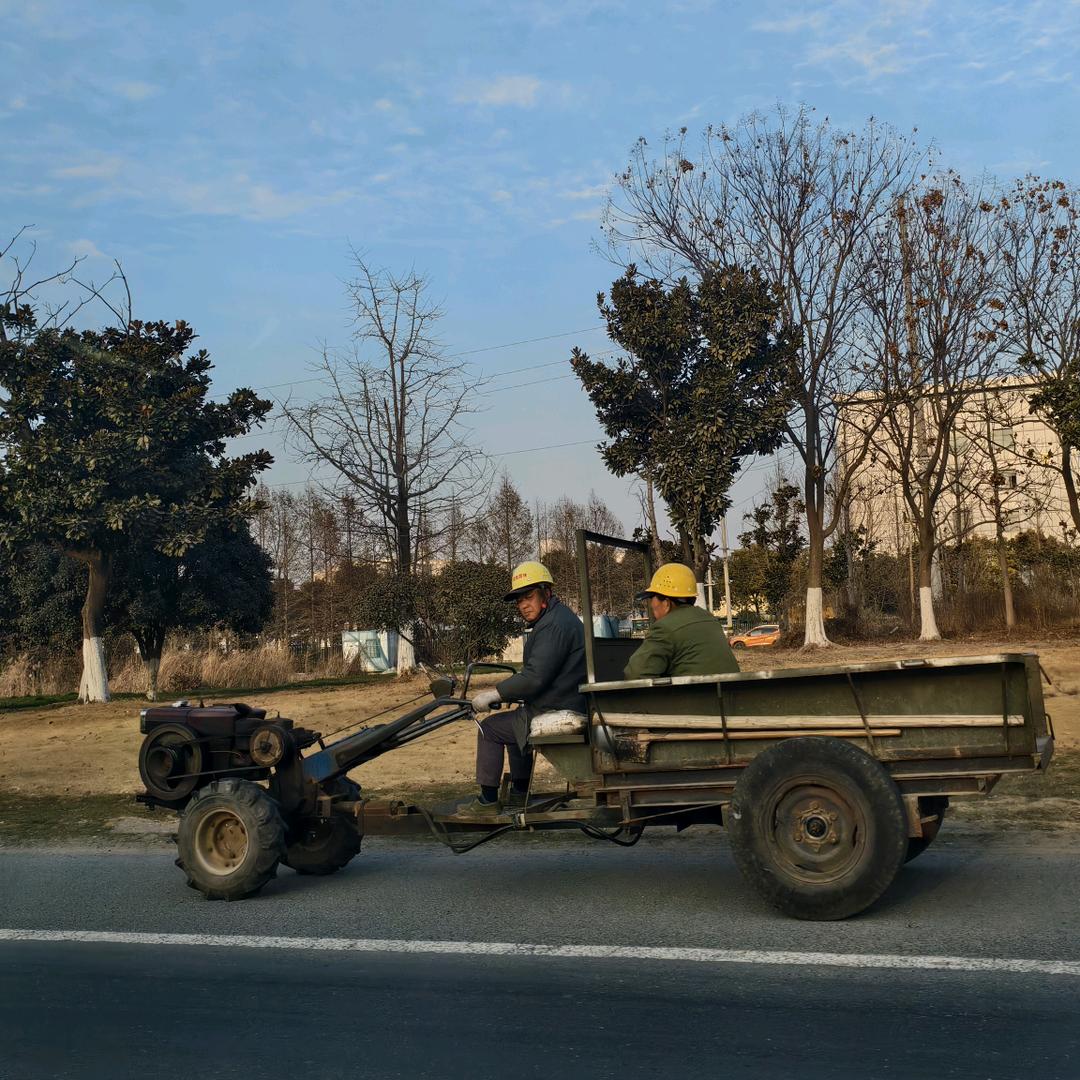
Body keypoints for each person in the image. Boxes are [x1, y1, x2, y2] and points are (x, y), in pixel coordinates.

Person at [466, 561, 586, 813]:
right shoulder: (557, 618)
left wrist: (495, 693)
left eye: (529, 597)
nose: (523, 605)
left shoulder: (553, 625)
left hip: (557, 706)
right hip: (564, 700)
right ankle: (520, 792)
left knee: (489, 729)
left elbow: (534, 678)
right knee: (513, 723)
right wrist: (512, 692)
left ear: (546, 593)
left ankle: (487, 801)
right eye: (519, 600)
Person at [623, 562, 739, 679]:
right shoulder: (710, 620)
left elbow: (635, 674)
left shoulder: (664, 628)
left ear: (666, 603)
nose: (651, 605)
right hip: (731, 693)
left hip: (693, 696)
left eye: (652, 598)